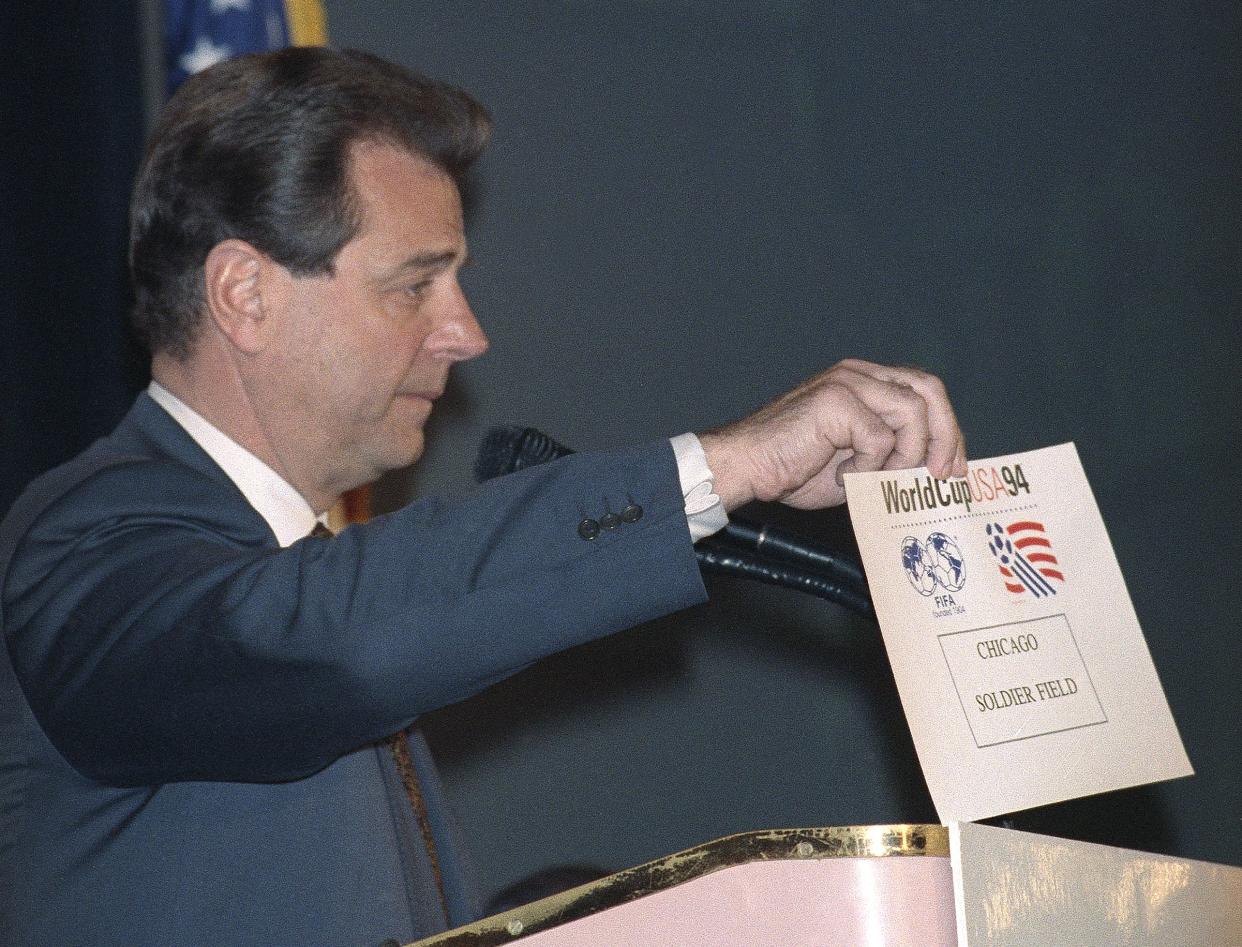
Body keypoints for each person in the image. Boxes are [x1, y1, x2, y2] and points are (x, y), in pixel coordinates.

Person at [0, 47, 966, 946]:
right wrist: (721, 466)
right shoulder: (85, 538)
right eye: (415, 285)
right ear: (245, 294)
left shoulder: (305, 577)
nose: (467, 332)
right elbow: (322, 640)